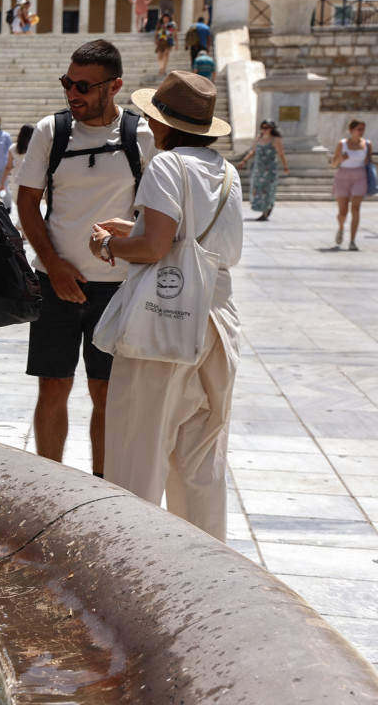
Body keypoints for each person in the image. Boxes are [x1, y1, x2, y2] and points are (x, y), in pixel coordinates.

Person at [90, 71, 241, 542]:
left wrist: (110, 247)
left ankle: (125, 563)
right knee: (201, 463)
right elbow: (201, 241)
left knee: (138, 455)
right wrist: (132, 230)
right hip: (218, 321)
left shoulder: (166, 165)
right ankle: (205, 572)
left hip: (165, 322)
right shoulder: (226, 172)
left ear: (162, 123)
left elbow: (156, 248)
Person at [15, 39, 158, 478]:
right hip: (55, 280)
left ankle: (102, 487)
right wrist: (54, 264)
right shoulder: (50, 131)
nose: (72, 94)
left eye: (83, 85)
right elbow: (26, 204)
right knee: (53, 386)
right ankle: (48, 484)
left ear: (114, 86)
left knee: (106, 391)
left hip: (118, 287)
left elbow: (157, 214)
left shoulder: (142, 137)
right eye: (67, 83)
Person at [329, 119, 371, 251]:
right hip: (343, 176)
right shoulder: (342, 144)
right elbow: (333, 164)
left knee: (356, 209)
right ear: (351, 130)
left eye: (362, 129)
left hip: (360, 176)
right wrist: (340, 159)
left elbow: (369, 163)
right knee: (343, 212)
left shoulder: (367, 144)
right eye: (358, 129)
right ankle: (341, 228)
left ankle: (352, 240)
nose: (361, 132)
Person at [237, 120, 289, 221]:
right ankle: (264, 208)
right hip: (258, 169)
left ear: (272, 129)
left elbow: (281, 154)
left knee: (268, 189)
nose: (264, 130)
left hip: (269, 170)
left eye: (266, 128)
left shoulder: (276, 140)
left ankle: (266, 211)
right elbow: (253, 151)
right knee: (257, 189)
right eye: (262, 128)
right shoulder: (259, 138)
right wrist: (244, 160)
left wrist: (285, 167)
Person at [1, 123, 35, 214]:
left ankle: (21, 223)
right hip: (31, 177)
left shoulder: (13, 148)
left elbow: (8, 167)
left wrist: (2, 183)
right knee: (29, 203)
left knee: (18, 202)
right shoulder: (35, 148)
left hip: (16, 177)